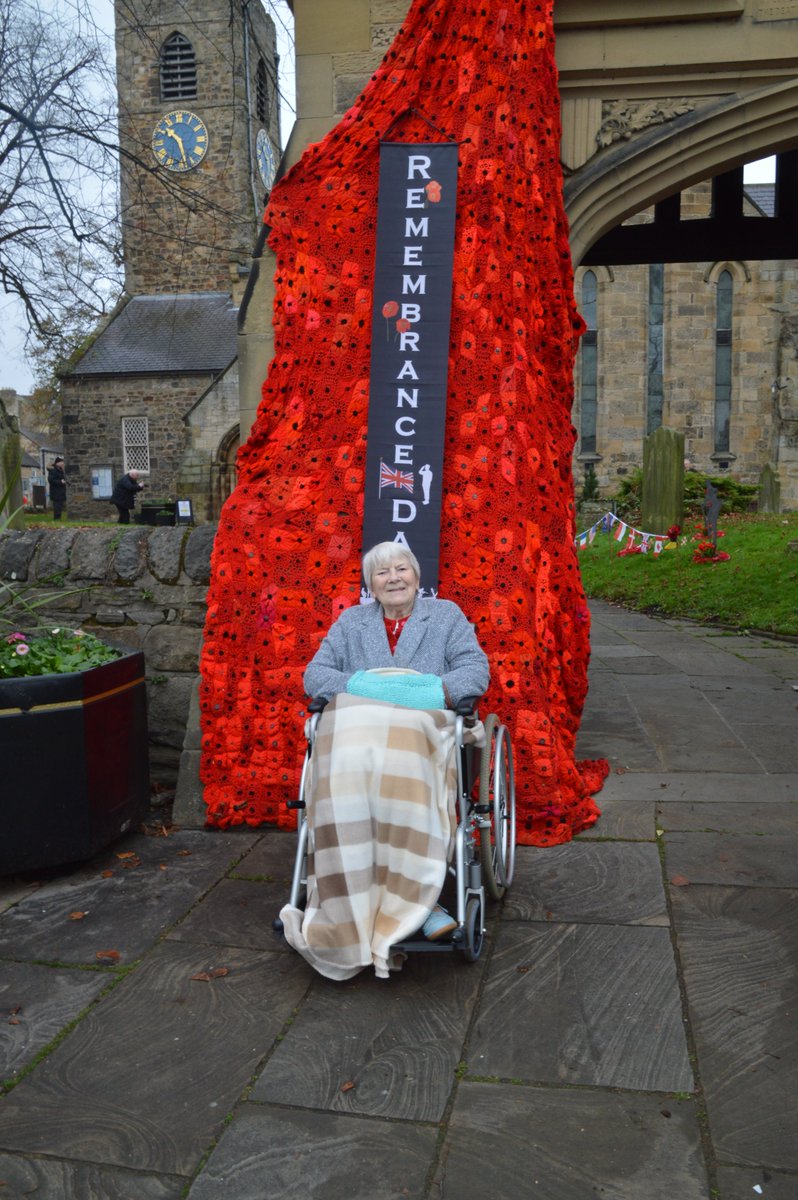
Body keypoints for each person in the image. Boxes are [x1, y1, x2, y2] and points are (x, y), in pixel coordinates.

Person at [279, 541, 489, 980]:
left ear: (416, 575)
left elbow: (474, 671)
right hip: (358, 732)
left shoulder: (446, 616)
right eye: (381, 573)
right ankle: (347, 905)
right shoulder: (351, 622)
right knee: (346, 780)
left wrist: (421, 693)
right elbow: (315, 675)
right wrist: (377, 691)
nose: (393, 578)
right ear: (369, 585)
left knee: (401, 778)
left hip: (420, 728)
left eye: (401, 569)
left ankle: (419, 903)